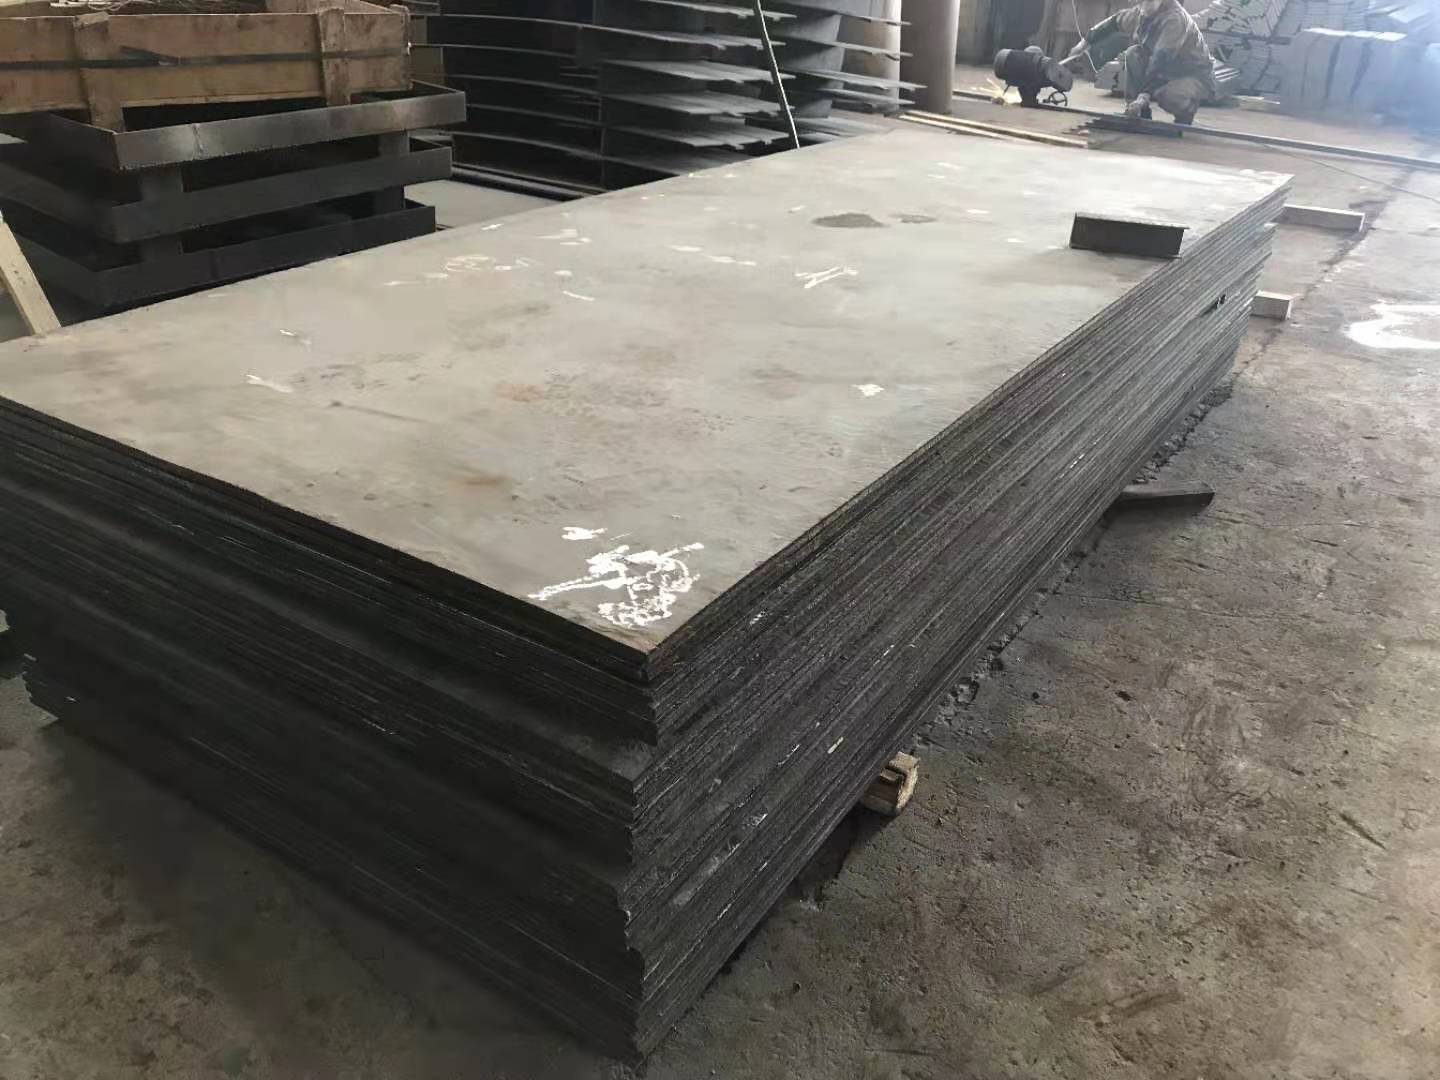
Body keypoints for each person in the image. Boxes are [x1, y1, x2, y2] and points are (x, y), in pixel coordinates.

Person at [1063, 0, 1217, 124]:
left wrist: (1144, 95)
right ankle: (1137, 110)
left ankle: (1186, 112)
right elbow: (1114, 22)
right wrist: (1083, 44)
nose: (1143, 6)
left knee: (1167, 96)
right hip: (1168, 67)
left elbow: (1161, 59)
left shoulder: (1175, 20)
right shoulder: (1141, 12)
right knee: (1133, 53)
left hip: (1193, 74)